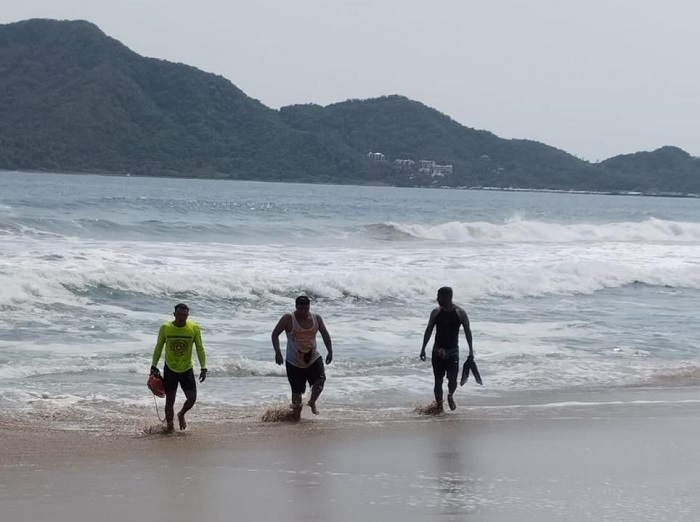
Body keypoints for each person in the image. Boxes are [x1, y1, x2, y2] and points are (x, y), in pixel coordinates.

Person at [271, 295, 333, 419]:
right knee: (297, 405)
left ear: (309, 307)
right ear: (296, 307)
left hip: (313, 358)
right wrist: (277, 352)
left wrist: (330, 351)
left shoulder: (316, 318)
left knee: (320, 381)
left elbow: (325, 334)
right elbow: (275, 334)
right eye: (300, 309)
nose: (303, 312)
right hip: (294, 362)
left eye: (306, 309)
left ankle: (312, 402)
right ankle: (290, 416)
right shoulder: (288, 318)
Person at [150, 303, 207, 432]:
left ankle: (181, 414)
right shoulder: (166, 328)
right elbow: (158, 347)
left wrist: (203, 368)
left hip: (186, 368)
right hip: (170, 368)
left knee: (192, 398)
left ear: (188, 315)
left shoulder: (194, 328)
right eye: (180, 314)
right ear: (174, 314)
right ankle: (169, 427)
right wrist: (153, 365)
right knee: (170, 401)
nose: (182, 317)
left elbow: (200, 348)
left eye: (185, 315)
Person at [419, 287, 473, 412]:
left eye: (439, 296)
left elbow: (468, 332)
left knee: (452, 380)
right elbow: (428, 330)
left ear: (447, 297)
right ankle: (439, 406)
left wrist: (471, 350)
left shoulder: (460, 313)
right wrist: (423, 348)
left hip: (452, 352)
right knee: (438, 380)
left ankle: (450, 396)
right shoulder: (436, 312)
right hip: (437, 351)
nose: (437, 299)